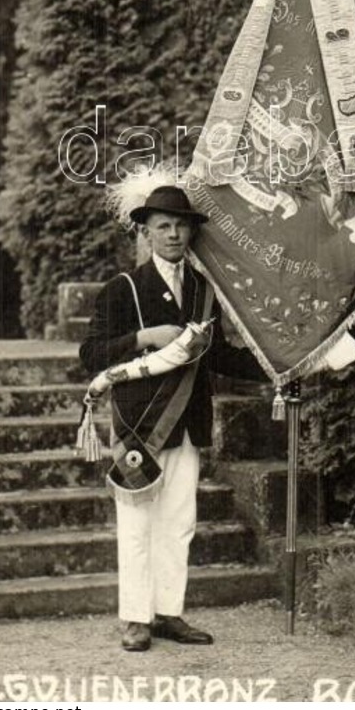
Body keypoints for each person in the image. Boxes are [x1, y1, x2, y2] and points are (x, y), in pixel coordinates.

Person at [80, 184, 265, 652]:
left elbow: (218, 354)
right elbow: (91, 355)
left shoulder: (203, 290)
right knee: (137, 524)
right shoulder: (122, 289)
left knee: (179, 521)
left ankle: (167, 613)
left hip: (188, 422)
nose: (174, 234)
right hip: (140, 425)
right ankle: (136, 619)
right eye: (163, 226)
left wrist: (276, 368)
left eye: (181, 225)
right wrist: (145, 336)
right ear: (145, 232)